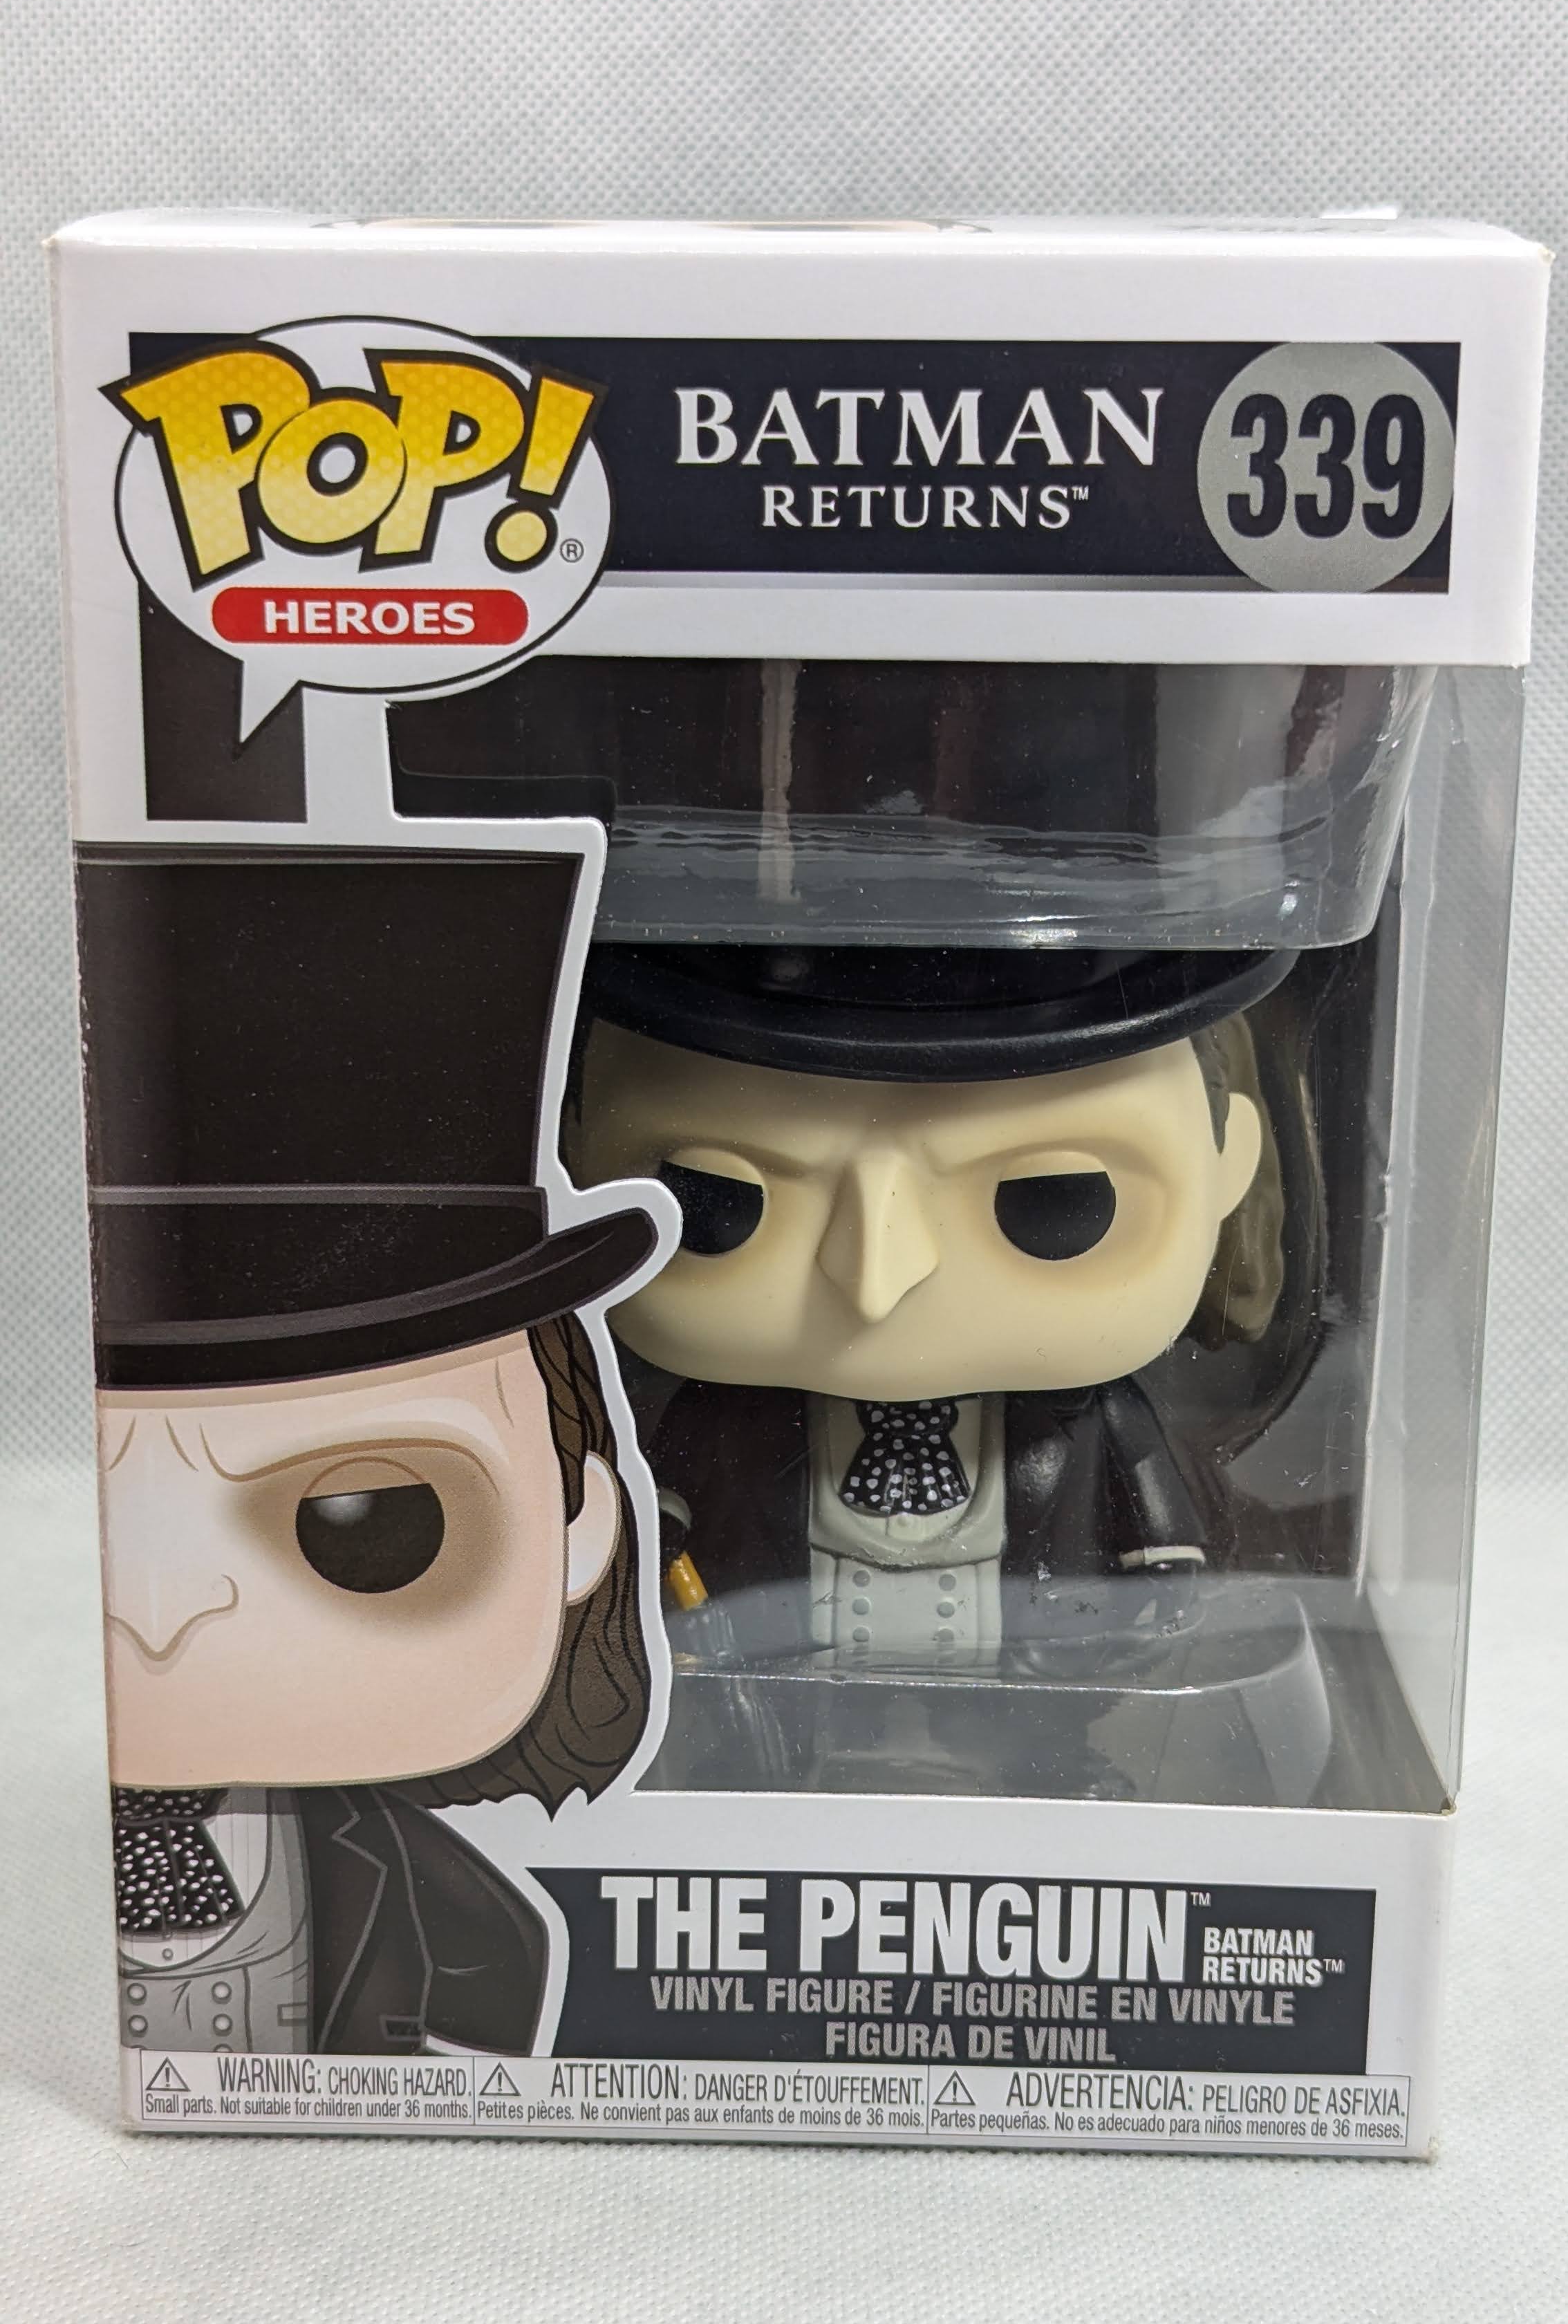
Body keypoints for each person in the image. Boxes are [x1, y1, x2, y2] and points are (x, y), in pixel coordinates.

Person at [82, 849, 664, 2057]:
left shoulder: (473, 1928)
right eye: (106, 1513)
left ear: (583, 1521)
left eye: (371, 1520)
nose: (164, 1610)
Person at [572, 938, 1289, 1669]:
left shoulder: (1090, 1421)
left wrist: (1158, 1585)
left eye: (1052, 1204)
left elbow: (1154, 1520)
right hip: (788, 1672)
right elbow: (662, 1503)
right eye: (722, 1201)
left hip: (1027, 1687)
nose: (877, 1283)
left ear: (1228, 1168)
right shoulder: (730, 1423)